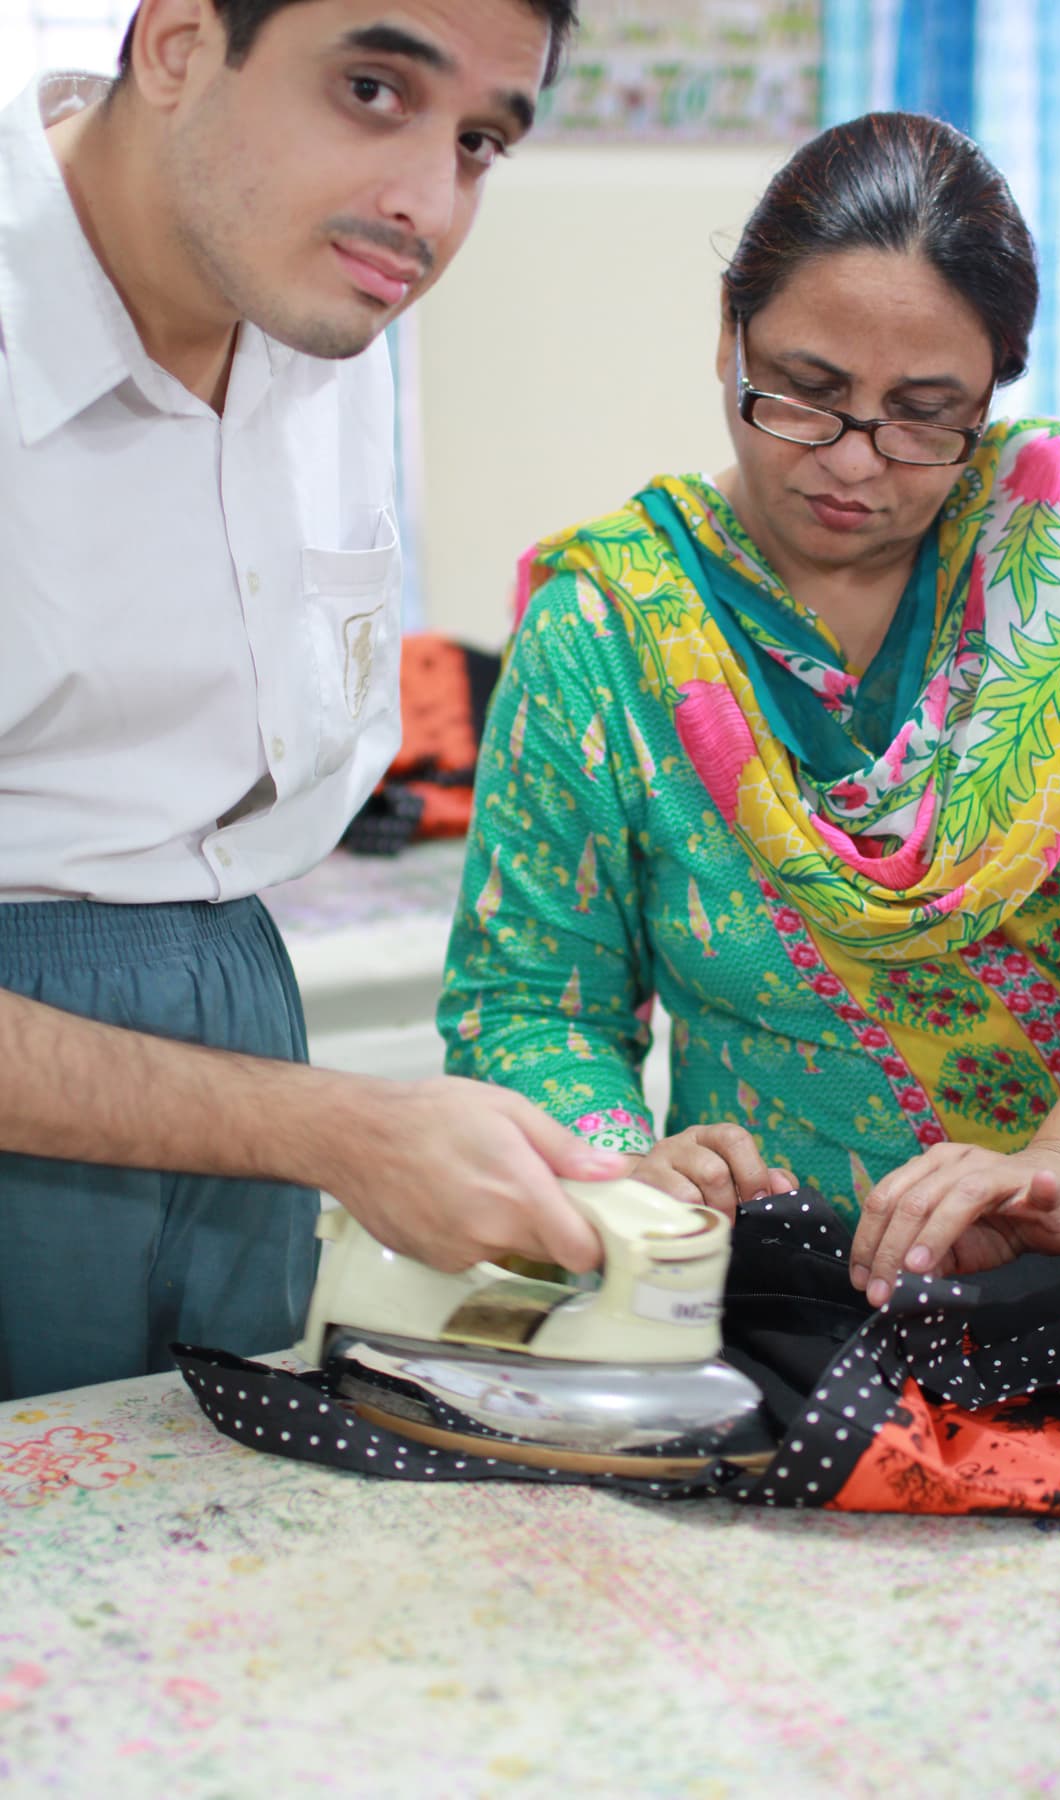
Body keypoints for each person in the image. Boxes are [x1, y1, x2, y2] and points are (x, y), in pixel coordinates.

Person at [438, 110, 1060, 1316]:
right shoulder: (611, 628)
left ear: (995, 391)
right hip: (776, 1304)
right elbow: (531, 1002)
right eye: (805, 391)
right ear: (729, 336)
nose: (853, 461)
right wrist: (624, 1167)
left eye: (923, 413)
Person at [0, 0, 628, 1403]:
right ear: (172, 49)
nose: (425, 203)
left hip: (236, 1028)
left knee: (190, 1565)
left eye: (478, 141)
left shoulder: (320, 305)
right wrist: (335, 1127)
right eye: (368, 88)